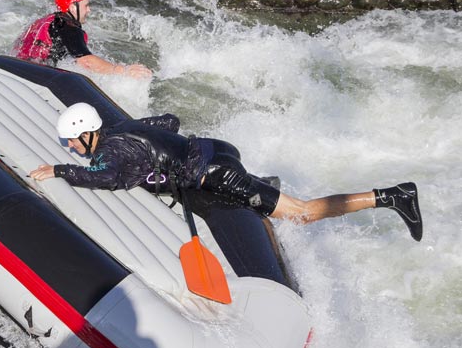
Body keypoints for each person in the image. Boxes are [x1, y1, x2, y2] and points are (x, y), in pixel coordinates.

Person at [29, 103, 423, 241]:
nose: (69, 149)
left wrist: (60, 170)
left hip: (216, 172)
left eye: (70, 143)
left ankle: (390, 197)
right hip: (216, 148)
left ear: (84, 135)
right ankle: (263, 187)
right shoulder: (119, 129)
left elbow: (106, 178)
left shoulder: (113, 149)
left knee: (301, 214)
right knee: (261, 195)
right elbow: (169, 121)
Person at [12, 0, 153, 79]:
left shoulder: (46, 20)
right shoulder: (67, 27)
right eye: (86, 6)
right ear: (73, 7)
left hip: (18, 69)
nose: (89, 10)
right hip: (36, 76)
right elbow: (86, 61)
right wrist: (124, 71)